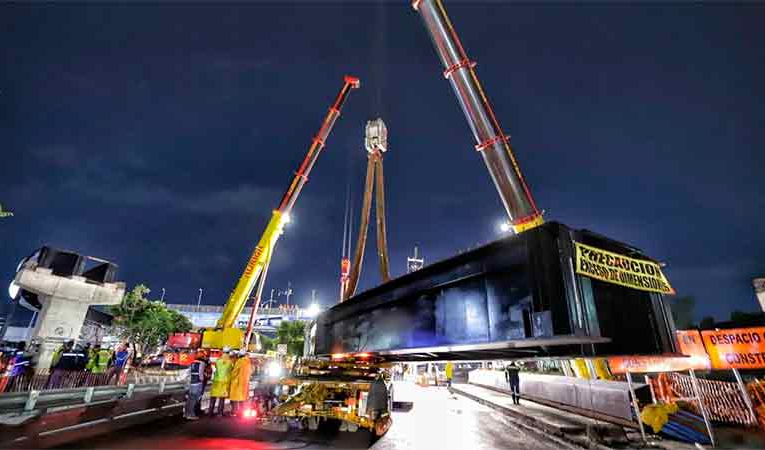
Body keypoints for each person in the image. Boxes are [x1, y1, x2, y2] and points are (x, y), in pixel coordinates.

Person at [208, 348, 234, 416]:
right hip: (224, 382)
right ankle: (219, 413)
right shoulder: (230, 361)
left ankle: (210, 412)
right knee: (222, 398)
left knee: (213, 397)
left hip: (216, 380)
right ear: (228, 353)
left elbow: (216, 368)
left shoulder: (218, 360)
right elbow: (231, 370)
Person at [229, 350, 252, 416]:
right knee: (243, 399)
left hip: (238, 383)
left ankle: (235, 412)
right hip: (245, 383)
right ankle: (242, 412)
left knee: (235, 399)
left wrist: (231, 377)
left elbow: (234, 372)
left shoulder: (239, 362)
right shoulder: (248, 362)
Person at [185, 354, 206, 420]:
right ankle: (191, 414)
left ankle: (186, 413)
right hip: (197, 383)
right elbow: (200, 374)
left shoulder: (192, 362)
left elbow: (188, 373)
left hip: (191, 383)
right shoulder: (202, 363)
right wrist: (202, 381)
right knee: (194, 399)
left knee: (190, 399)